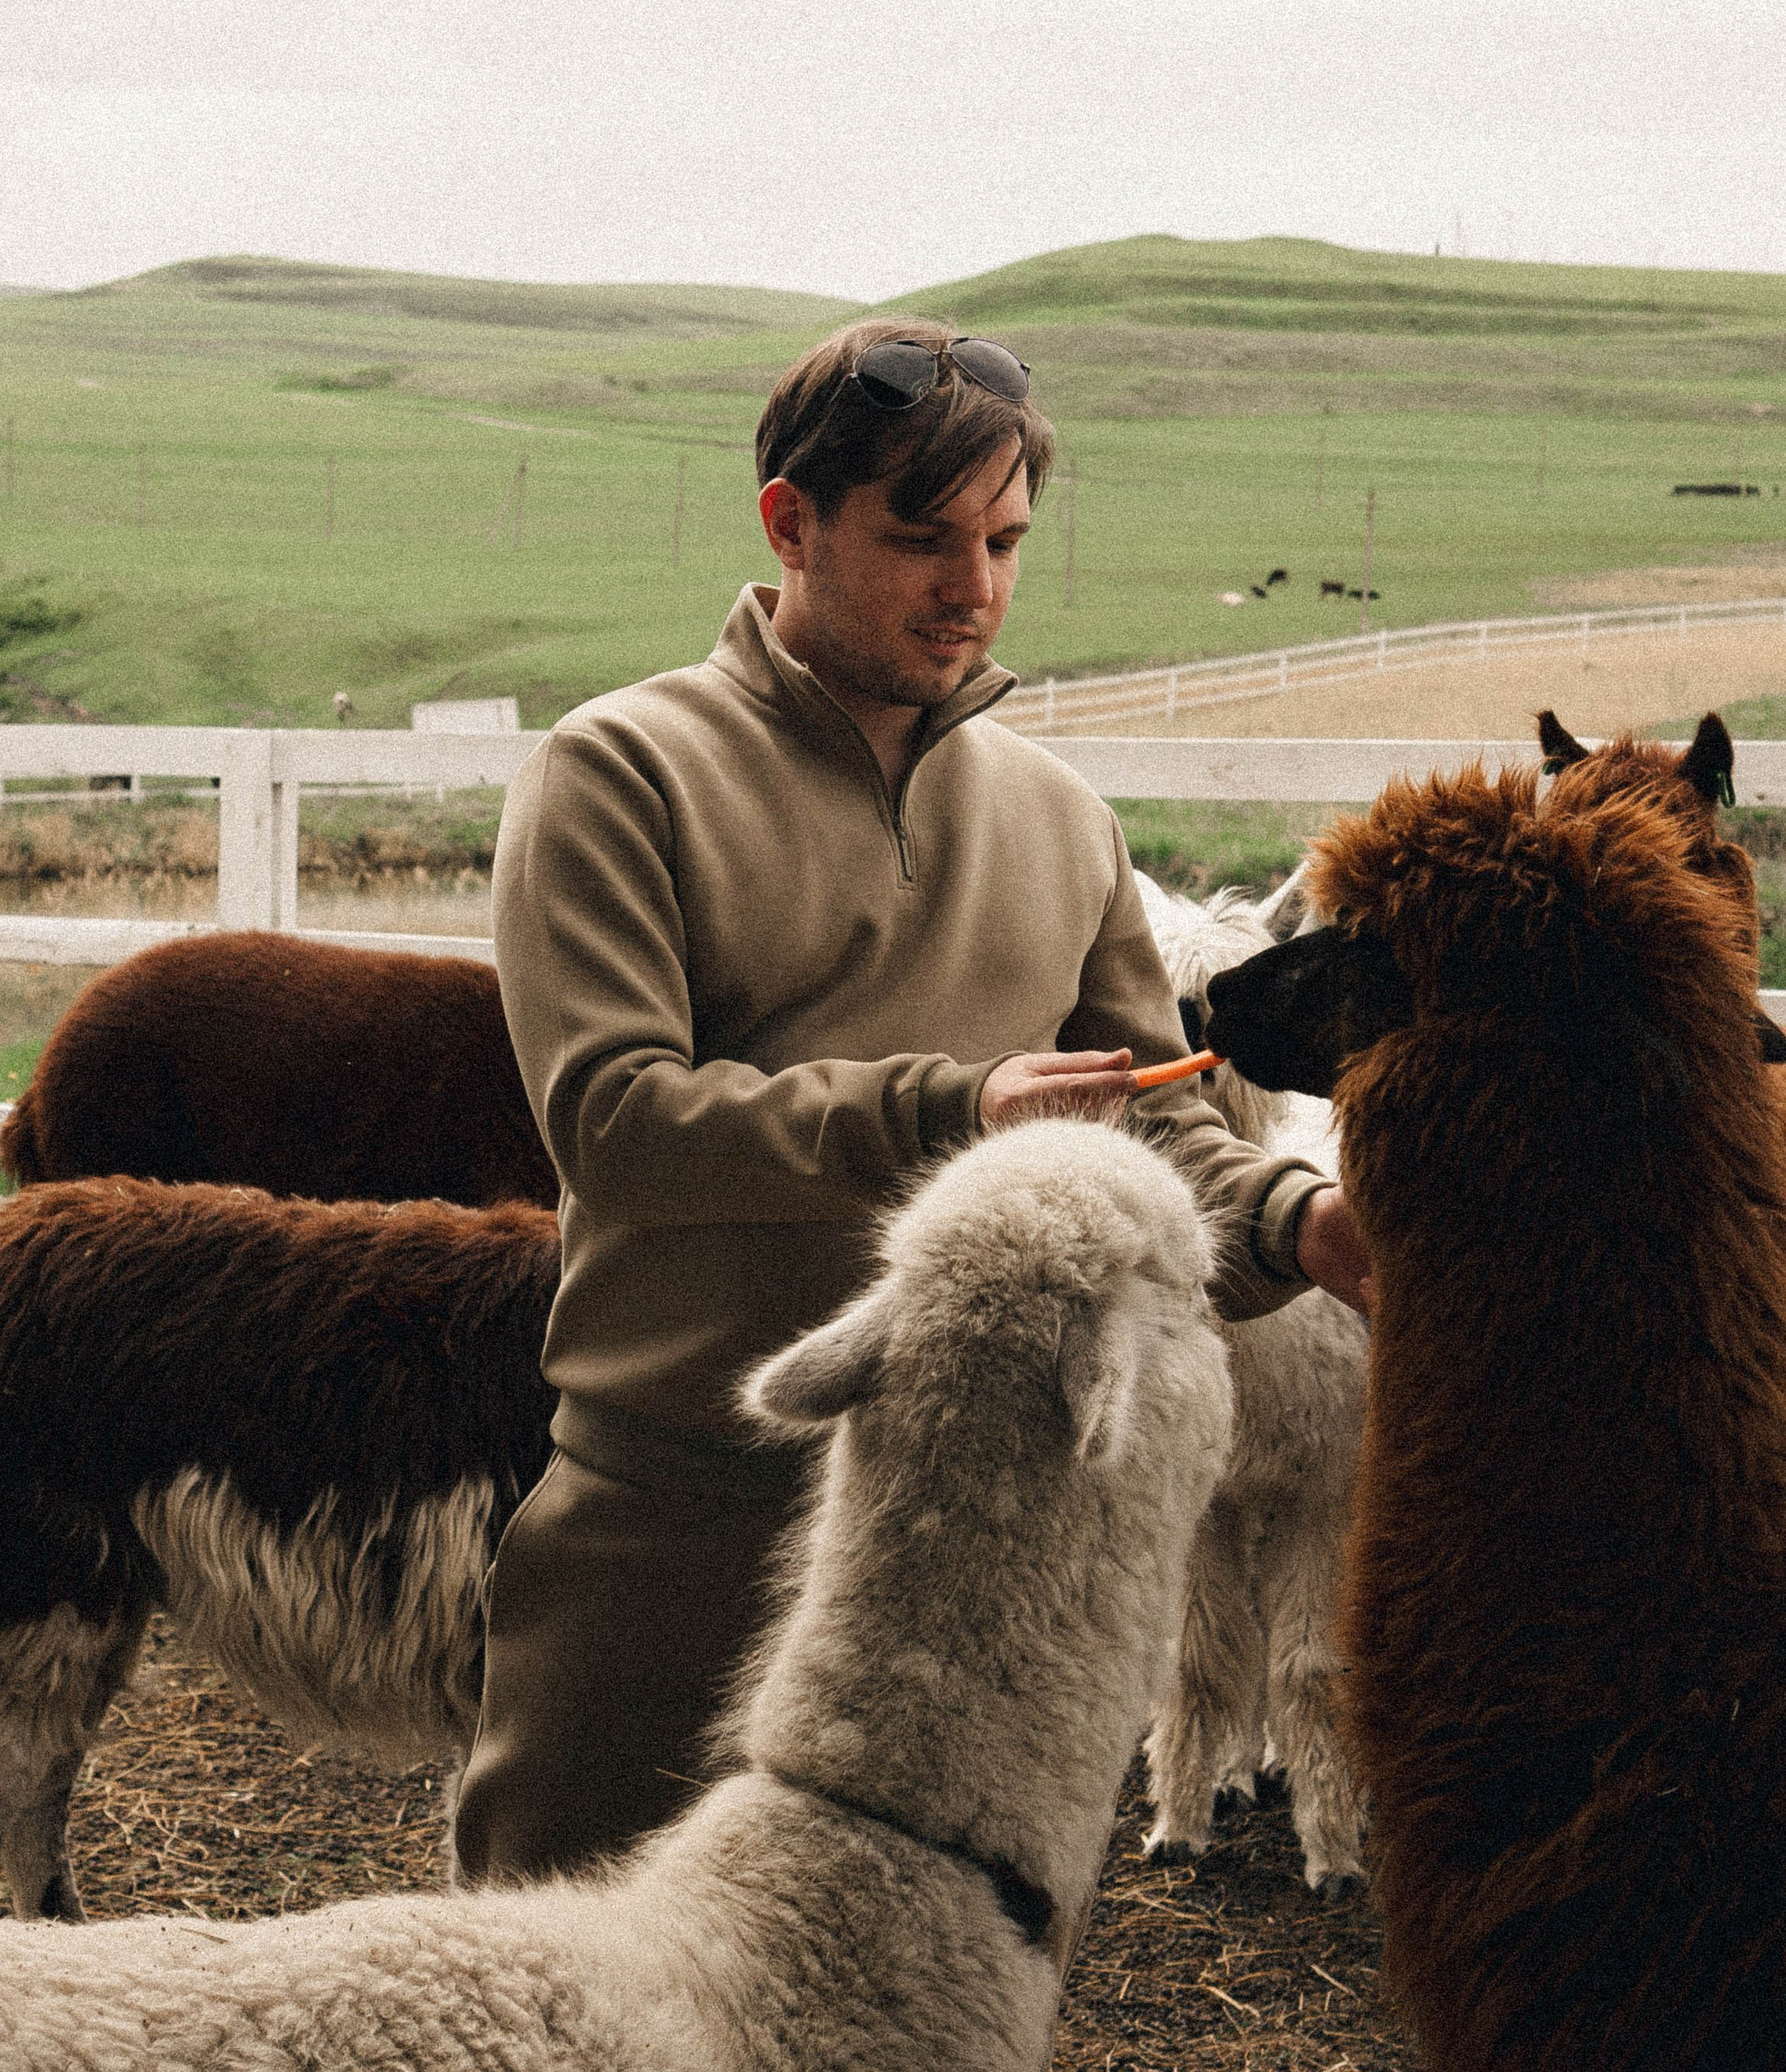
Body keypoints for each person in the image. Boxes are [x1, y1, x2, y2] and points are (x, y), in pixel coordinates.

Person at [453, 318, 1369, 1888]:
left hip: (984, 1553)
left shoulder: (1060, 819)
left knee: (935, 2006)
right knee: (565, 1997)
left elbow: (1154, 1134)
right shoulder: (617, 773)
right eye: (920, 536)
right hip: (679, 1519)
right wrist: (952, 1114)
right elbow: (613, 1120)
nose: (972, 587)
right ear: (788, 523)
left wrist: (1312, 1225)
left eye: (1004, 542)